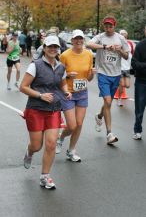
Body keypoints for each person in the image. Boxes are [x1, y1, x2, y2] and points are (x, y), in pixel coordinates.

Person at [20, 35, 71, 189]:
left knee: (51, 144)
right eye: (50, 46)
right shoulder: (36, 65)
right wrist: (40, 95)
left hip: (54, 110)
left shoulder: (61, 67)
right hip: (36, 109)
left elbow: (62, 84)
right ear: (44, 48)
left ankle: (45, 176)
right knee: (37, 146)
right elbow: (23, 87)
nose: (53, 49)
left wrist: (66, 92)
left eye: (55, 47)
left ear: (58, 49)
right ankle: (29, 153)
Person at [87, 16, 129, 145]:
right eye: (106, 26)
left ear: (114, 26)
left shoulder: (120, 38)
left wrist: (119, 50)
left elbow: (127, 56)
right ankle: (109, 133)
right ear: (103, 26)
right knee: (108, 101)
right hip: (103, 73)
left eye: (110, 26)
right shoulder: (100, 37)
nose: (108, 28)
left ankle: (99, 116)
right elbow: (88, 44)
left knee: (108, 102)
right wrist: (105, 47)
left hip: (115, 74)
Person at [56, 29, 96, 161]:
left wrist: (92, 73)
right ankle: (61, 138)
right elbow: (57, 76)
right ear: (72, 40)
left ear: (83, 40)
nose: (78, 41)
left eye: (81, 39)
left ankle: (71, 151)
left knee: (79, 123)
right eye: (76, 39)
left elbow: (88, 79)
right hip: (68, 92)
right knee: (72, 125)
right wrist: (67, 75)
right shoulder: (65, 55)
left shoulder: (89, 54)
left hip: (82, 92)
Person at [131, 33, 146, 140]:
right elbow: (134, 63)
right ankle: (137, 130)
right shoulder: (140, 45)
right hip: (142, 81)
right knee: (139, 108)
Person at [117, 29, 135, 106]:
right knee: (122, 84)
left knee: (127, 85)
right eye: (122, 34)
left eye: (125, 34)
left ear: (127, 35)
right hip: (120, 68)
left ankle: (118, 85)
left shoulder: (130, 44)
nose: (124, 35)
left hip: (127, 68)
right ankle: (119, 99)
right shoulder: (118, 44)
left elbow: (133, 54)